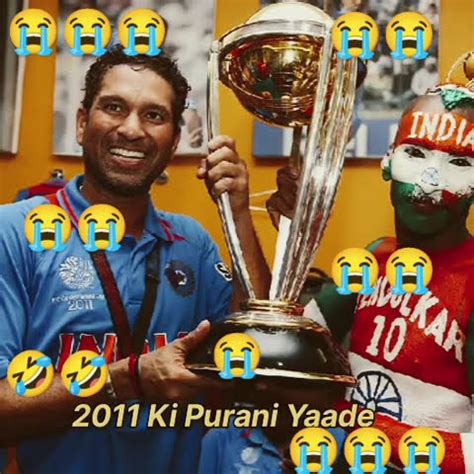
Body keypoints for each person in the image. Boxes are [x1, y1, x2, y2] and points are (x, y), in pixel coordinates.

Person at [0, 45, 269, 473]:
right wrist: (127, 379)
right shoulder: (14, 232)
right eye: (114, 107)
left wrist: (237, 214)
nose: (131, 129)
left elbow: (259, 352)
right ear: (82, 123)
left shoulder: (193, 244)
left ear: (174, 140)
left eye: (154, 115)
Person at [266, 83, 474, 472]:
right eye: (416, 153)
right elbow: (290, 343)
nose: (430, 181)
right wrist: (292, 243)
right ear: (388, 160)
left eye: (459, 162)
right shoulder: (376, 256)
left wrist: (360, 425)